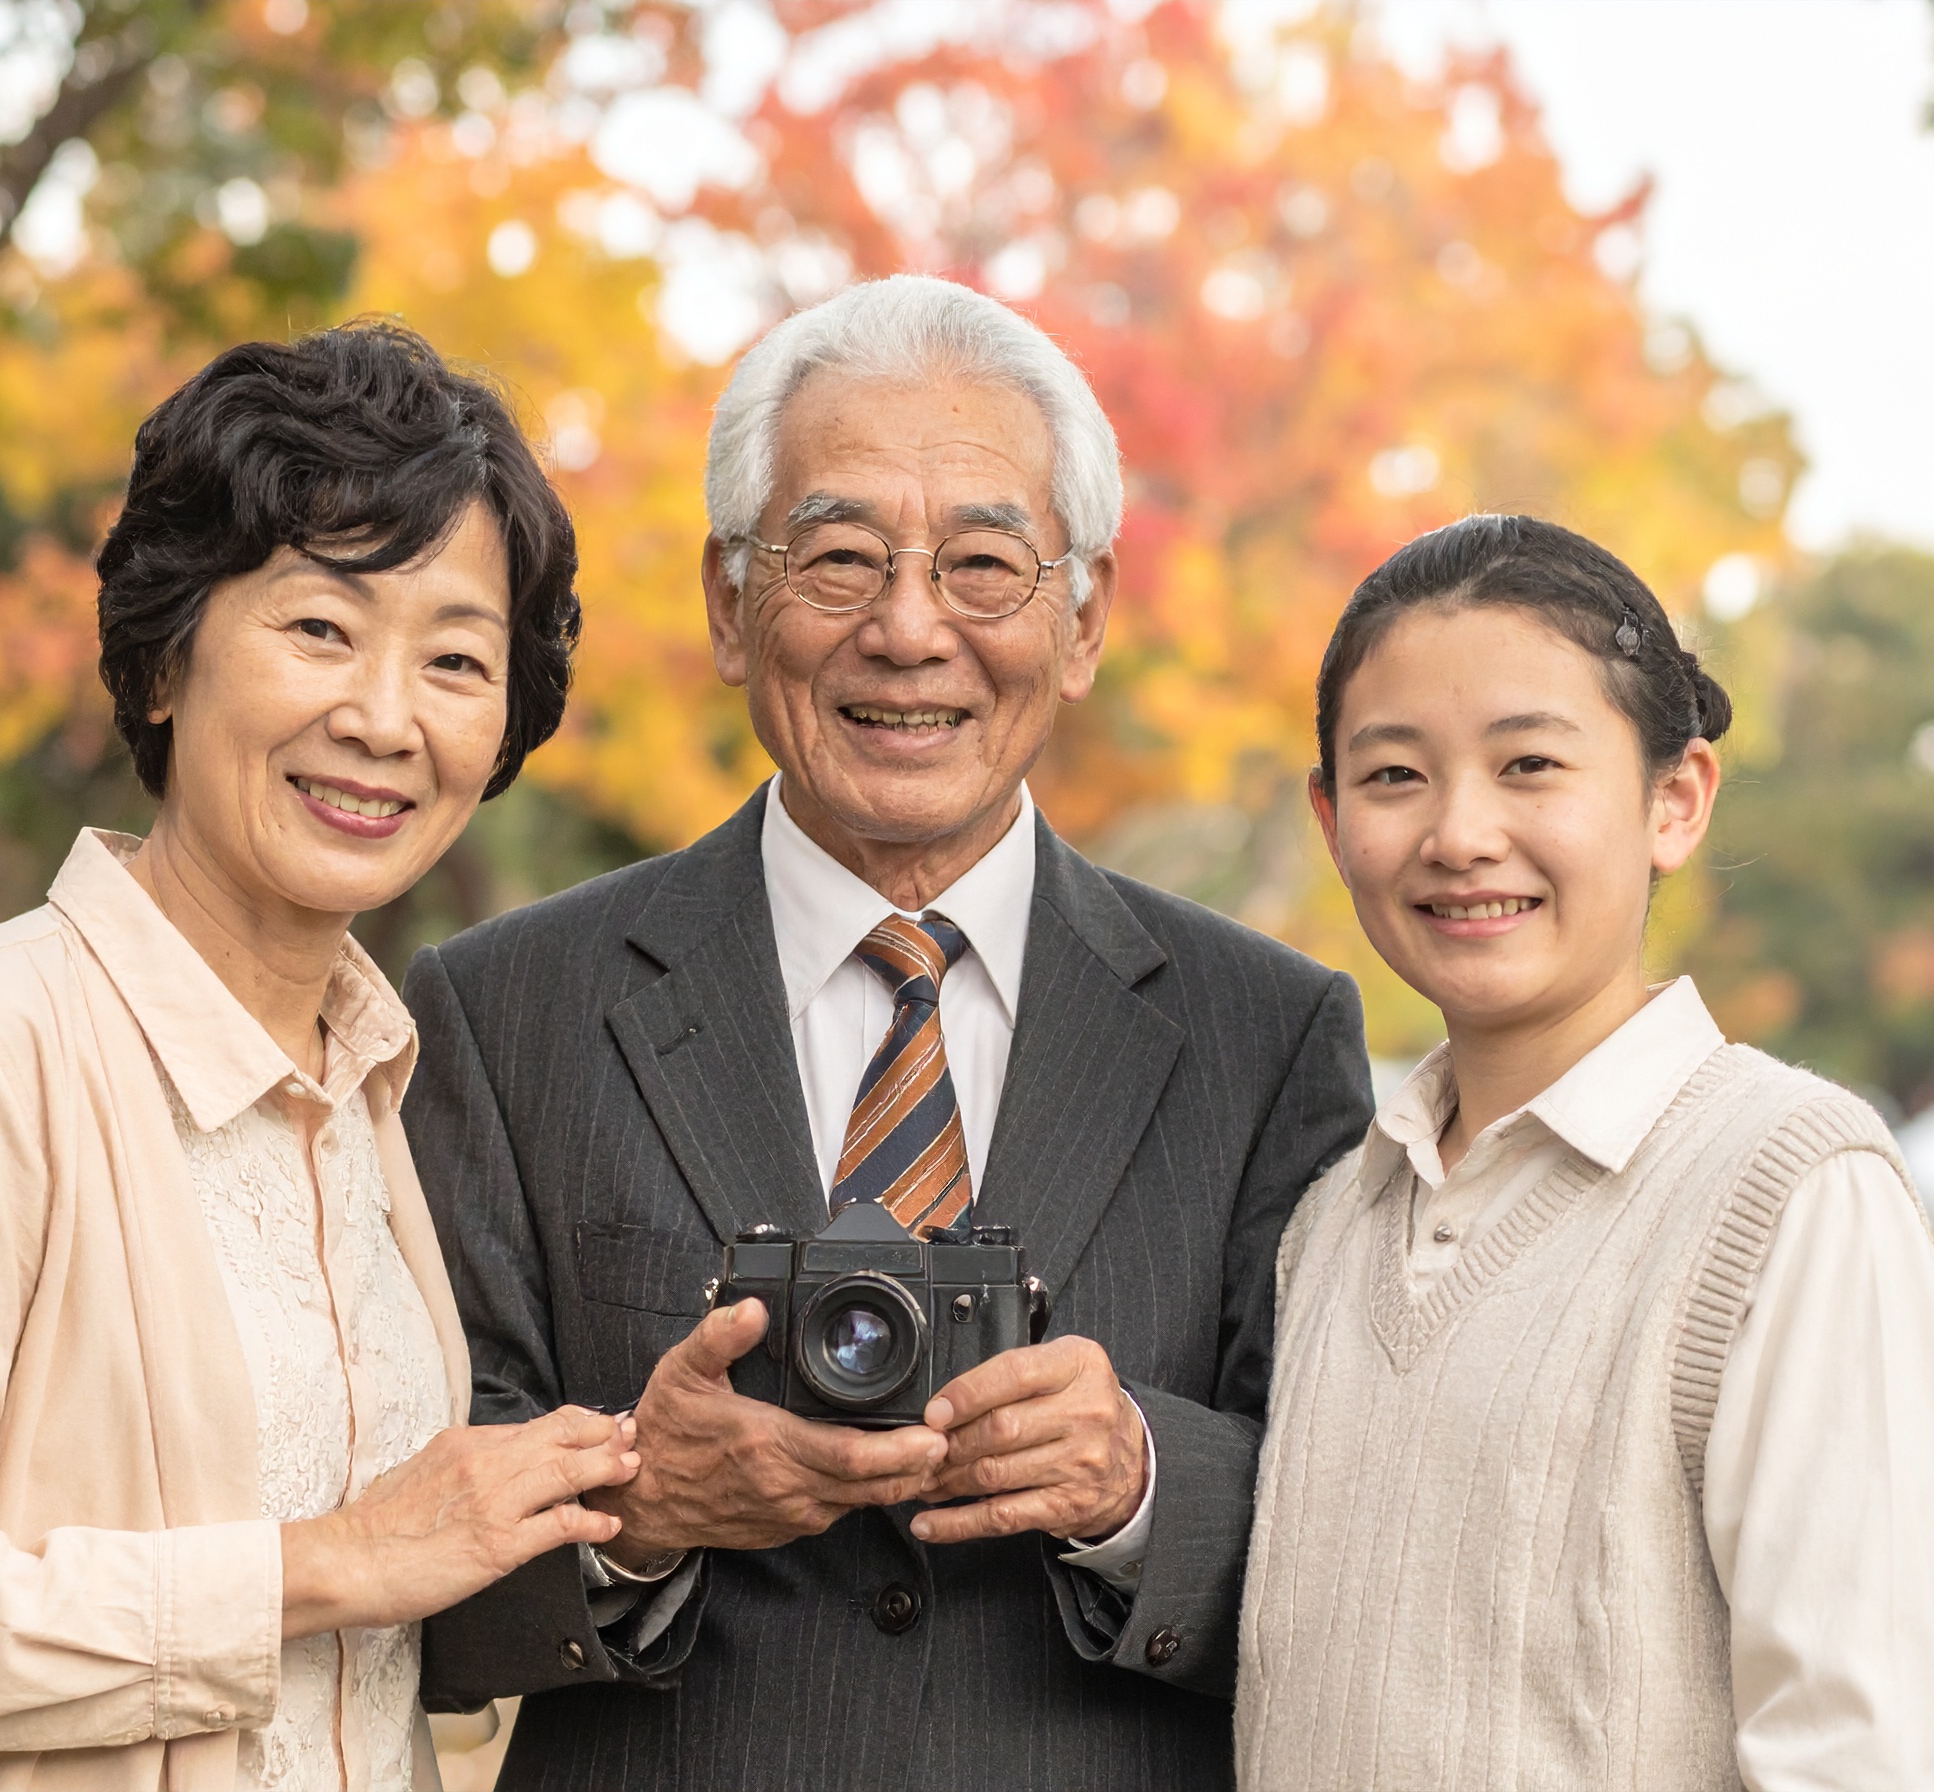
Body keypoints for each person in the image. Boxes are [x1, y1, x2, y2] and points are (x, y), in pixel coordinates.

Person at [401, 274, 1374, 1789]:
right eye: (838, 557)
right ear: (731, 605)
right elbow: (412, 1565)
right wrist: (640, 1504)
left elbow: (1361, 1535)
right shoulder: (506, 1007)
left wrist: (1136, 1482)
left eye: (987, 564)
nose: (910, 631)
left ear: (1086, 618)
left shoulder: (1267, 1033)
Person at [0, 322, 642, 1792]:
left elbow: (389, 1648)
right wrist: (325, 1567)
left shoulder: (384, 1089)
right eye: (319, 630)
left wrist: (650, 1502)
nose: (385, 721)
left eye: (457, 660)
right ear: (162, 663)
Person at [1236, 514, 1934, 1790]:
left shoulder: (1792, 1190)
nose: (1460, 835)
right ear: (1331, 815)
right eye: (1395, 775)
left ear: (1674, 799)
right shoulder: (1331, 1223)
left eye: (1530, 764)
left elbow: (1856, 1755)